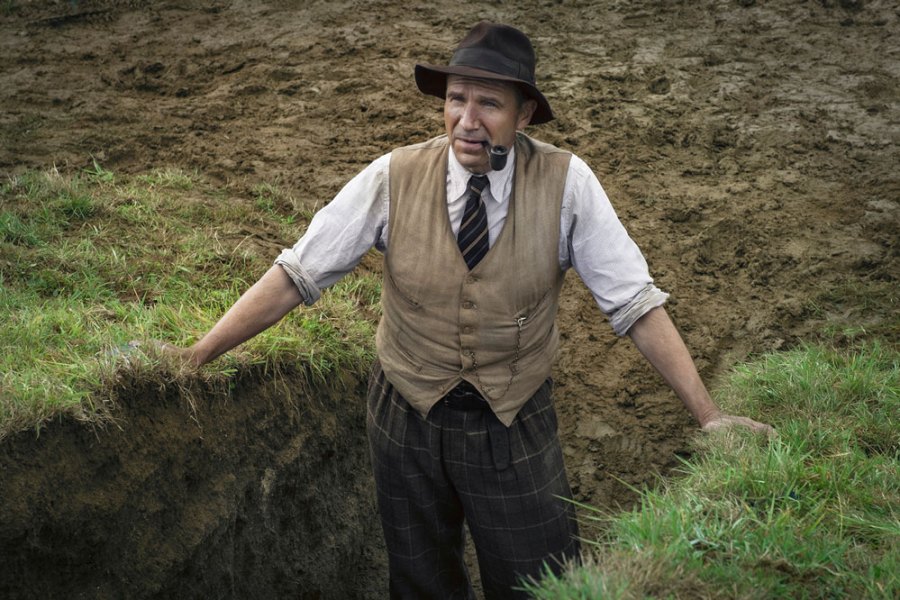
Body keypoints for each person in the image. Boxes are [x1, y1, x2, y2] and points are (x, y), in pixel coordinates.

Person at [157, 21, 773, 599]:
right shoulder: (392, 177)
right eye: (456, 100)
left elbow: (635, 303)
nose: (467, 121)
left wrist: (708, 415)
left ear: (525, 112)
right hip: (404, 417)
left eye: (490, 104)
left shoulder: (568, 184)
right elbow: (299, 273)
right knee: (421, 579)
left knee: (542, 582)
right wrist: (198, 353)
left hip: (512, 423)